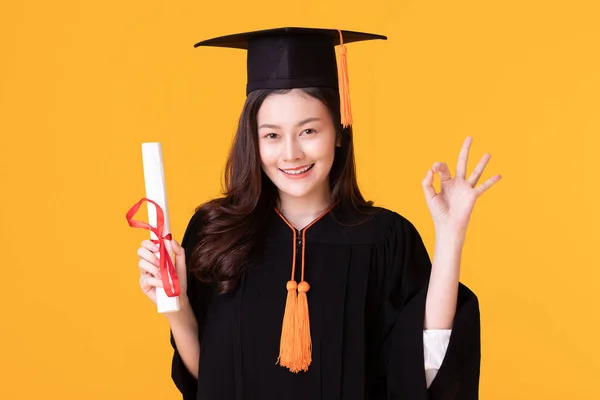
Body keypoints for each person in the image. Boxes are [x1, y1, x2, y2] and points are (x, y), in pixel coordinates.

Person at [135, 27, 501, 399]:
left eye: (308, 130)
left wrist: (451, 233)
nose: (291, 153)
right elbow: (209, 380)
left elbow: (422, 366)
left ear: (339, 132)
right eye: (272, 135)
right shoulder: (215, 233)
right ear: (254, 140)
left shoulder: (385, 239)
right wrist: (176, 306)